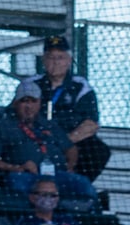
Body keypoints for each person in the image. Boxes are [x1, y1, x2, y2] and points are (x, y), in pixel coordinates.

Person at [0, 82, 96, 200]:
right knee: (17, 181)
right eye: (24, 101)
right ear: (16, 103)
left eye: (33, 101)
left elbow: (70, 148)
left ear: (40, 103)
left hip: (55, 175)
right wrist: (16, 168)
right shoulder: (3, 126)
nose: (29, 106)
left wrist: (70, 167)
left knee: (82, 183)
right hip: (27, 176)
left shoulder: (49, 125)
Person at [34, 35, 111, 182]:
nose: (55, 62)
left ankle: (77, 184)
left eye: (60, 57)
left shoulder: (81, 86)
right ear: (43, 60)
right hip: (35, 139)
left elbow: (91, 124)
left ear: (69, 60)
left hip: (70, 140)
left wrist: (63, 142)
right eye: (51, 57)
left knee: (98, 150)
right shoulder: (31, 84)